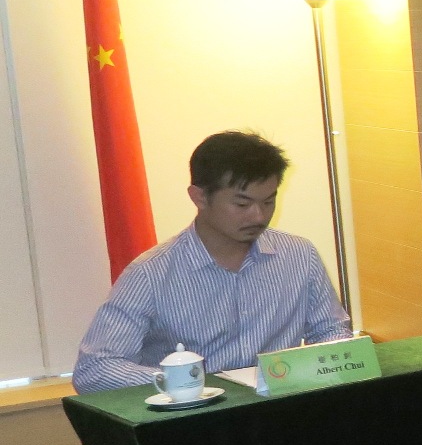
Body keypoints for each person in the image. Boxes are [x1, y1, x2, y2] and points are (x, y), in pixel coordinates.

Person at [74, 131, 350, 392]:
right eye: (242, 204)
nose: (258, 216)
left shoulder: (299, 255)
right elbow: (94, 369)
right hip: (195, 416)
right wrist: (184, 383)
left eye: (268, 202)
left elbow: (331, 330)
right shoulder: (150, 274)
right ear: (200, 197)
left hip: (278, 410)